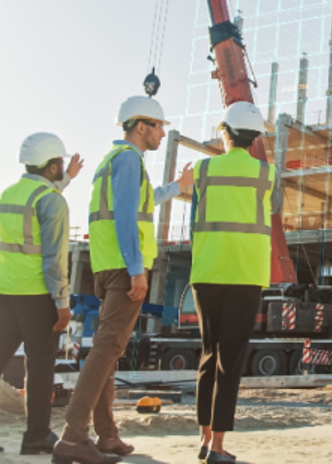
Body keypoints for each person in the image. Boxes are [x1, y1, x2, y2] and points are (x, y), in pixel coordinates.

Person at [54, 96, 193, 464]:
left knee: (107, 352)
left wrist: (177, 186)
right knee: (105, 351)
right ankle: (72, 437)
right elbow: (127, 218)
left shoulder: (111, 161)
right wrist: (136, 269)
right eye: (159, 126)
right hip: (123, 267)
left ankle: (107, 434)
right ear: (140, 126)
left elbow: (141, 204)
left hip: (105, 266)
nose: (163, 133)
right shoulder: (130, 159)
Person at [191, 102, 279, 463]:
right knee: (231, 358)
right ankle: (218, 448)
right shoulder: (266, 174)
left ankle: (203, 439)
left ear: (224, 132)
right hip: (245, 275)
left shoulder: (203, 169)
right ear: (256, 137)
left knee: (208, 356)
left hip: (208, 272)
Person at [0, 133, 82, 455]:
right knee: (40, 366)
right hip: (37, 296)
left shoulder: (9, 194)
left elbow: (37, 206)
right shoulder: (53, 202)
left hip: (5, 293)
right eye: (59, 165)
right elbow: (54, 261)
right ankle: (36, 435)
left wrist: (67, 180)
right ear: (51, 166)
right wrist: (62, 304)